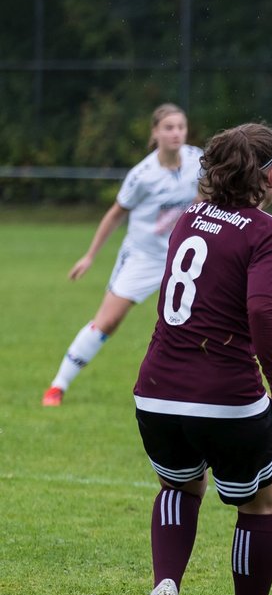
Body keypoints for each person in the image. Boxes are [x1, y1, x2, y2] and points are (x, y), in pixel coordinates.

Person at [131, 122, 272, 595]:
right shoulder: (269, 231)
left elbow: (206, 287)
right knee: (259, 503)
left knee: (179, 486)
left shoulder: (188, 216)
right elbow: (257, 309)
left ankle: (166, 582)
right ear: (270, 174)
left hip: (156, 389)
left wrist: (269, 298)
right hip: (224, 397)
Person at [42, 103, 202, 406]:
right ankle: (57, 386)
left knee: (201, 319)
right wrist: (90, 256)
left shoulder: (198, 160)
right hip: (143, 258)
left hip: (183, 256)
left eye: (180, 127)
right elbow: (116, 214)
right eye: (168, 127)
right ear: (154, 132)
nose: (176, 133)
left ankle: (196, 391)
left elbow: (210, 194)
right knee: (108, 321)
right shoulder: (142, 174)